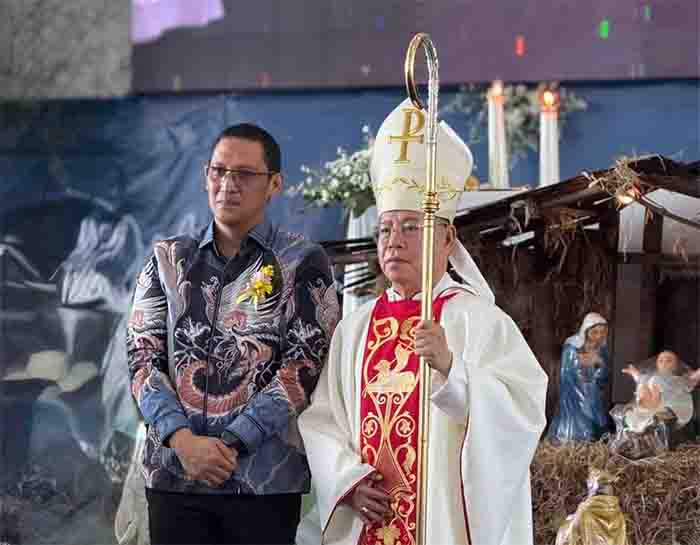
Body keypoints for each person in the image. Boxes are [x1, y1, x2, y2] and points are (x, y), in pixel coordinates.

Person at [297, 100, 548, 545]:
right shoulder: (354, 330)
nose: (393, 241)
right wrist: (348, 482)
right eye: (385, 229)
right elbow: (322, 420)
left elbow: (523, 411)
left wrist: (454, 370)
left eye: (411, 227)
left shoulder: (480, 321)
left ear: (447, 239)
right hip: (369, 523)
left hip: (441, 524)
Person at [126, 123, 340, 545]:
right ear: (205, 175)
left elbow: (303, 366)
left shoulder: (301, 261)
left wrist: (230, 444)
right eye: (219, 171)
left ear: (274, 184)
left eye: (244, 174)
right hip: (175, 477)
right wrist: (183, 442)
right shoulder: (168, 259)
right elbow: (142, 357)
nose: (228, 184)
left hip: (263, 481)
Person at [609, 350, 699, 458]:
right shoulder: (652, 377)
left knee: (656, 418)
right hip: (650, 407)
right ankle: (634, 441)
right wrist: (634, 373)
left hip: (668, 407)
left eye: (669, 360)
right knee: (631, 416)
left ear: (676, 365)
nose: (664, 363)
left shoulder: (678, 380)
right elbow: (640, 379)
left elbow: (692, 379)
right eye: (661, 360)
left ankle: (649, 441)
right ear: (657, 364)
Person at [548, 313, 610, 443]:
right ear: (586, 331)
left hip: (593, 392)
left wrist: (599, 364)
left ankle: (592, 439)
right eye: (595, 332)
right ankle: (574, 438)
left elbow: (604, 374)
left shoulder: (601, 349)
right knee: (578, 417)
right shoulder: (572, 347)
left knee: (594, 418)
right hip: (574, 393)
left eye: (602, 332)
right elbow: (567, 371)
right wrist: (583, 363)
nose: (599, 336)